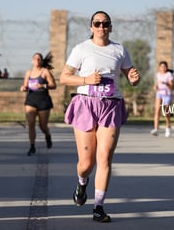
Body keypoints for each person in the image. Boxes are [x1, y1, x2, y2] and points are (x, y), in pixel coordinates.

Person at [60, 11, 140, 223]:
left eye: (105, 24)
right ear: (91, 27)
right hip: (86, 104)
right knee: (86, 163)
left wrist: (134, 78)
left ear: (110, 27)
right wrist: (86, 78)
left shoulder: (119, 50)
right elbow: (64, 77)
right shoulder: (81, 49)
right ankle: (81, 182)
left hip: (111, 105)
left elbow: (131, 76)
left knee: (104, 157)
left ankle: (98, 207)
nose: (101, 27)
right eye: (97, 23)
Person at [20, 52, 56, 156]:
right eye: (35, 58)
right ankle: (32, 146)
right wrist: (23, 88)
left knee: (42, 126)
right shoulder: (28, 72)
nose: (37, 60)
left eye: (39, 59)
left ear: (41, 61)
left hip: (43, 100)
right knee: (31, 123)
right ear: (32, 61)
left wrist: (43, 86)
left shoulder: (45, 72)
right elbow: (25, 85)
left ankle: (47, 135)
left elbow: (53, 85)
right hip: (31, 99)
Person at [151, 61, 174, 137]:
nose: (163, 68)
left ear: (166, 68)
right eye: (161, 67)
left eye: (164, 67)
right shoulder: (158, 75)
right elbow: (157, 84)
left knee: (166, 112)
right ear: (159, 67)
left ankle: (168, 127)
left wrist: (165, 83)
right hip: (159, 93)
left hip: (167, 94)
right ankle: (156, 129)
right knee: (157, 111)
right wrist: (155, 87)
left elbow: (171, 86)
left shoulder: (169, 75)